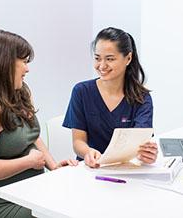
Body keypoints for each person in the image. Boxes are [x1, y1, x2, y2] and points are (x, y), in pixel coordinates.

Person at [0, 30, 78, 218]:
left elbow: (32, 136)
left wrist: (53, 167)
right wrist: (29, 162)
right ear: (4, 63)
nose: (27, 69)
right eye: (24, 61)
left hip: (27, 193)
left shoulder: (21, 92)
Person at [63, 27, 158, 168]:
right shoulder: (81, 92)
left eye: (110, 59)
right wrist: (88, 152)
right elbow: (78, 142)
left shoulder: (141, 98)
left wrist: (147, 154)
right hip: (91, 170)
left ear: (128, 58)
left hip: (126, 171)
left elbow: (141, 143)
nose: (102, 66)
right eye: (97, 58)